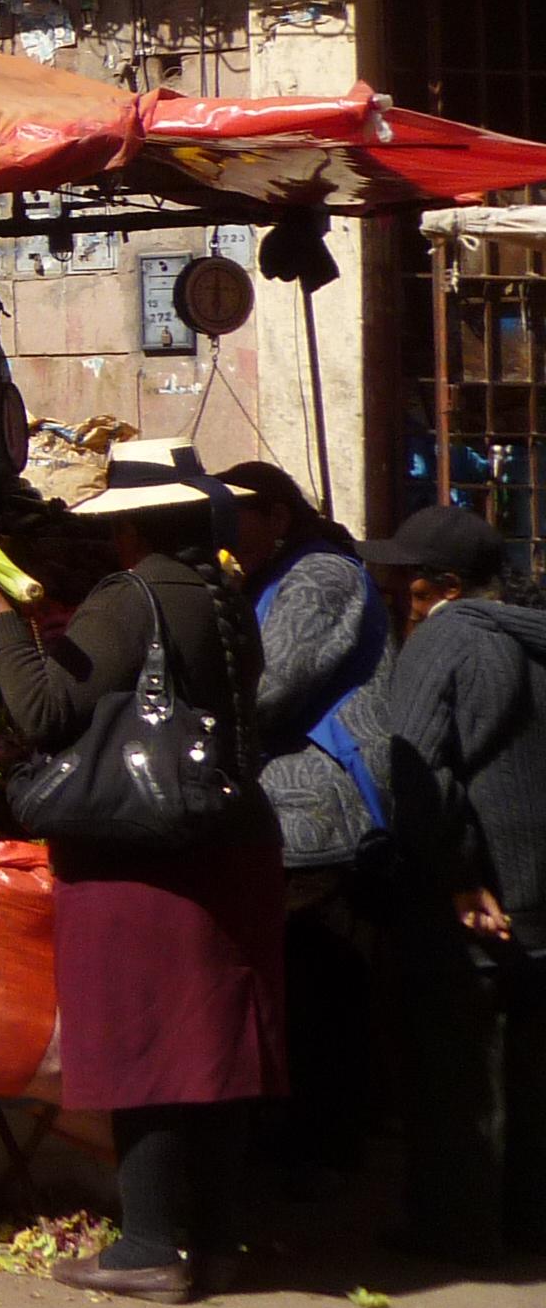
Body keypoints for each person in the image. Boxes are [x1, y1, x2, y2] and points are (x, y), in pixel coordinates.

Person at [0, 436, 286, 1303]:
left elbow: (43, 711)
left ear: (130, 531)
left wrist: (1, 617)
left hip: (143, 849)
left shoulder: (129, 598)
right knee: (215, 1046)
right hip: (229, 835)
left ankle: (148, 1242)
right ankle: (217, 1238)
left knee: (144, 1037)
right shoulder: (224, 599)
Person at [361, 502, 546, 1263]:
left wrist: (457, 877)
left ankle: (457, 1231)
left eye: (401, 581)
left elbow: (419, 768)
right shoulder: (531, 638)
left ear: (437, 587)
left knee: (457, 1072)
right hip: (539, 894)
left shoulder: (446, 639)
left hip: (477, 898)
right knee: (533, 1073)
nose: (391, 594)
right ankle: (529, 1222)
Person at [225, 461, 395, 1183]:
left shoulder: (320, 575)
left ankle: (322, 1149)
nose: (226, 535)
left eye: (237, 518)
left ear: (277, 516)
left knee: (319, 980)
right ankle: (309, 1138)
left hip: (322, 801)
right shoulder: (274, 575)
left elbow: (267, 686)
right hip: (296, 799)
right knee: (307, 978)